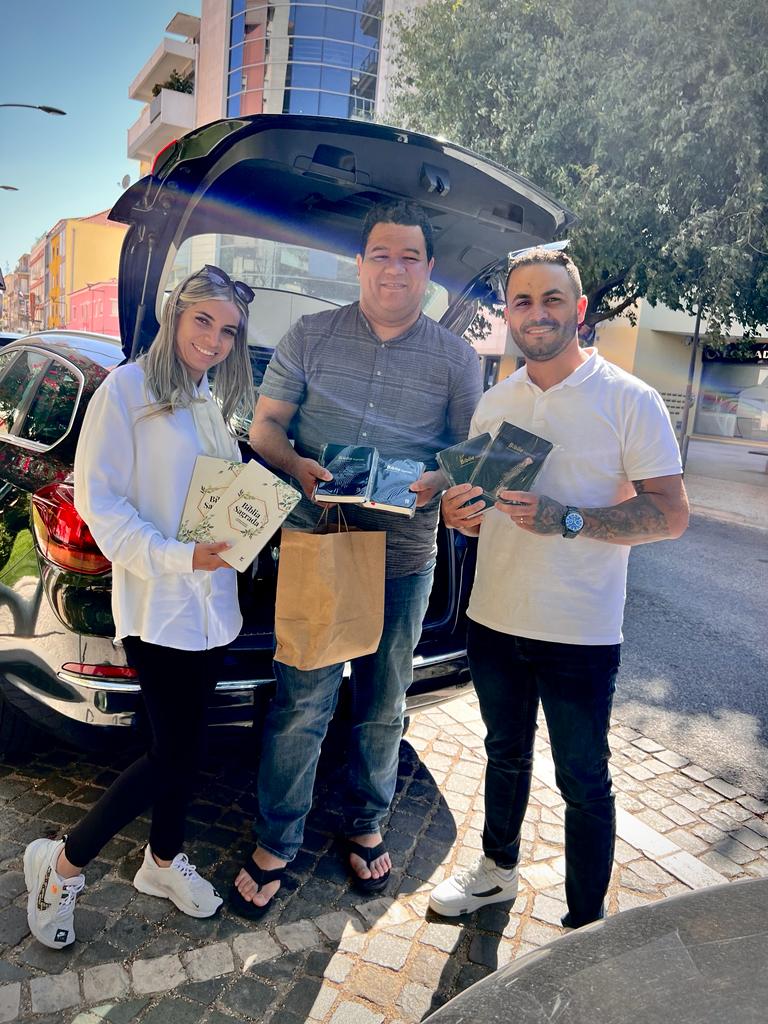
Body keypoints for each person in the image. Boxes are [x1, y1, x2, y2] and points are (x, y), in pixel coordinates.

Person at [232, 201, 483, 916]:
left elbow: (469, 451)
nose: (394, 269)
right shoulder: (309, 336)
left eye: (409, 257)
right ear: (360, 263)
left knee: (383, 703)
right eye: (381, 254)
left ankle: (366, 822)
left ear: (428, 270)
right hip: (321, 544)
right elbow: (265, 427)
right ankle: (278, 837)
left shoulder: (458, 358)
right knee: (302, 702)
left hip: (405, 557)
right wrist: (298, 467)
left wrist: (440, 479)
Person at [429, 247, 689, 928]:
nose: (536, 313)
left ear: (579, 310)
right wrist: (459, 514)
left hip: (580, 631)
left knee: (583, 779)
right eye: (522, 301)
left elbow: (670, 514)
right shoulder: (495, 402)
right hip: (494, 618)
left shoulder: (629, 399)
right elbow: (475, 509)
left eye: (552, 300)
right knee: (503, 754)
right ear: (508, 313)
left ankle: (583, 925)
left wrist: (567, 518)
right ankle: (496, 873)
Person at [22, 265, 254, 949]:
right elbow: (102, 504)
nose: (214, 340)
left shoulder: (209, 398)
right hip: (159, 605)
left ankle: (162, 860)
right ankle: (62, 865)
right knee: (174, 756)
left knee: (180, 746)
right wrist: (179, 557)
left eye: (228, 330)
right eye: (203, 321)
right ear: (174, 315)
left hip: (214, 607)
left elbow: (213, 495)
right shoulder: (126, 390)